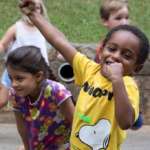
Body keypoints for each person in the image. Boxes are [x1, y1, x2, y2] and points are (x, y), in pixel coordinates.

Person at [20, 0, 149, 149]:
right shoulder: (89, 69)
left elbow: (126, 123)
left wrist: (117, 81)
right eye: (112, 49)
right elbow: (58, 40)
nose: (115, 56)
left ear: (136, 68)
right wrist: (34, 15)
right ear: (101, 51)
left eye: (126, 56)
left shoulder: (127, 86)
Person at [6, 45, 75, 150]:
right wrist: (27, 147)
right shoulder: (15, 95)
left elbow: (76, 120)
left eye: (19, 78)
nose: (14, 84)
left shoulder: (56, 92)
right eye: (11, 79)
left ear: (38, 76)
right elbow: (22, 127)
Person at [95, 0, 143, 130]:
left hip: (125, 92)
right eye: (118, 18)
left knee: (132, 120)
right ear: (105, 21)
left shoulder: (133, 40)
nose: (124, 22)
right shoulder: (102, 48)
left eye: (126, 17)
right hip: (106, 95)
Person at [0, 0, 51, 109]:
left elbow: (56, 41)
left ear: (42, 10)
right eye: (31, 8)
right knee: (2, 100)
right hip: (15, 68)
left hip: (36, 70)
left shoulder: (45, 29)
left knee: (40, 102)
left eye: (37, 8)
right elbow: (3, 44)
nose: (34, 11)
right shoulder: (17, 27)